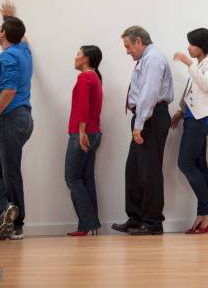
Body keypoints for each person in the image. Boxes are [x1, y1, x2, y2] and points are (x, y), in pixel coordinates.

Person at [112, 26, 173, 236]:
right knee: (135, 169)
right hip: (145, 117)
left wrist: (139, 125)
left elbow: (149, 93)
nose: (127, 51)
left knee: (150, 171)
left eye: (128, 46)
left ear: (139, 41)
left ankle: (152, 222)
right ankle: (136, 218)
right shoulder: (146, 59)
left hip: (151, 118)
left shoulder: (153, 59)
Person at [0, 1, 34, 241]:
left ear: (3, 34)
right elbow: (24, 38)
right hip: (23, 119)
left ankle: (16, 225)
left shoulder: (6, 57)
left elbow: (9, 90)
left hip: (10, 118)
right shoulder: (23, 51)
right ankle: (5, 217)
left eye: (0, 29)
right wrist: (9, 17)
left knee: (10, 172)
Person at [171, 28, 208, 234]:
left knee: (185, 163)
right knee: (199, 164)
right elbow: (193, 92)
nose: (188, 47)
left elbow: (207, 86)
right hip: (193, 118)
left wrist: (187, 63)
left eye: (191, 44)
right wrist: (181, 112)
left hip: (201, 119)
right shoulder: (200, 64)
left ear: (202, 45)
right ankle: (202, 214)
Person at [65, 46, 104, 237]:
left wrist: (81, 132)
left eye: (78, 54)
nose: (75, 57)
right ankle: (88, 225)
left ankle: (88, 223)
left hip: (83, 133)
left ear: (86, 59)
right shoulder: (95, 77)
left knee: (72, 178)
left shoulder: (84, 78)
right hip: (94, 132)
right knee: (86, 178)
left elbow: (83, 107)